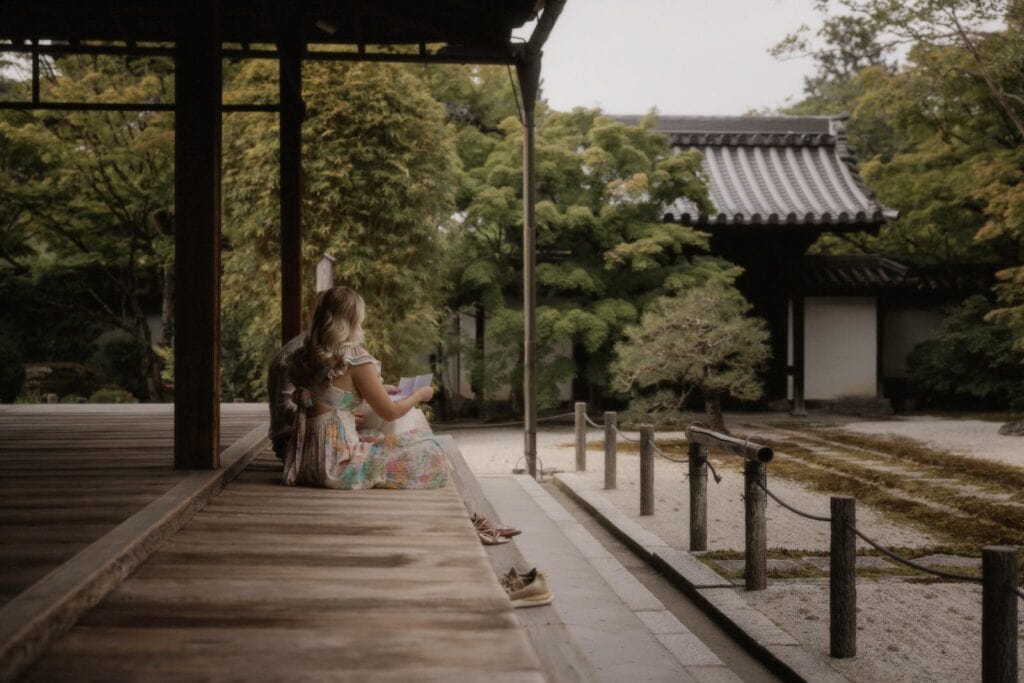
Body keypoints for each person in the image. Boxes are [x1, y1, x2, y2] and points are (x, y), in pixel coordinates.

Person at [282, 286, 448, 489]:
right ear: (352, 320)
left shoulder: (302, 357)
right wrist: (418, 394)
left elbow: (328, 393)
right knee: (432, 454)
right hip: (336, 465)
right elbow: (390, 411)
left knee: (374, 435)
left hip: (305, 462)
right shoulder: (354, 359)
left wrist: (379, 388)